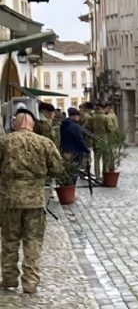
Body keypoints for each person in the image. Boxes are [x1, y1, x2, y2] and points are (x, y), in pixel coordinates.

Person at [0, 108, 64, 294]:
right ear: (33, 124)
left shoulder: (4, 142)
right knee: (33, 241)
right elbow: (58, 168)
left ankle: (9, 277)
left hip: (9, 200)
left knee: (9, 240)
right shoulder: (44, 143)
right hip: (35, 201)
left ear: (14, 124)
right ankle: (30, 281)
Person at [59, 108, 90, 174]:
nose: (79, 118)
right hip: (74, 152)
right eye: (78, 116)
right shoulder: (74, 126)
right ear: (74, 116)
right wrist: (86, 149)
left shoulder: (64, 124)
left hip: (65, 151)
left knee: (67, 170)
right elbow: (79, 139)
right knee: (73, 171)